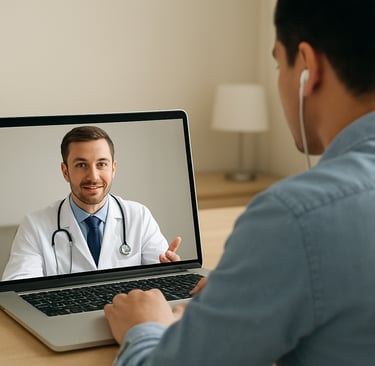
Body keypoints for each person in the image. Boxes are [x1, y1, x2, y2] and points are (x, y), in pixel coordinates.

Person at [104, 0, 375, 365]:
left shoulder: (296, 216)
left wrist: (143, 327)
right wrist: (247, 286)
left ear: (308, 68)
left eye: (279, 62)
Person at [2, 126, 180, 281]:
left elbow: (160, 277)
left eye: (101, 164)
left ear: (113, 168)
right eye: (81, 165)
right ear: (65, 172)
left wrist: (171, 271)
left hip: (126, 314)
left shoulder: (139, 216)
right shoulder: (34, 224)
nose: (93, 176)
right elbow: (17, 289)